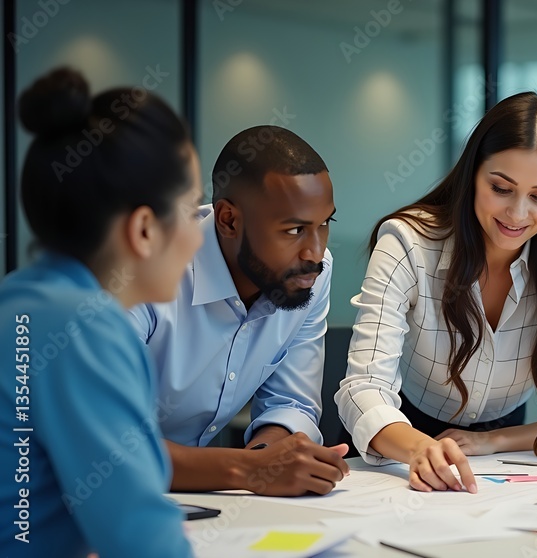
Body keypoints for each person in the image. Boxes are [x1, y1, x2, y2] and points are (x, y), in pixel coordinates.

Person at [336, 92, 537, 493]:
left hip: (509, 449)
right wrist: (420, 448)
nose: (518, 214)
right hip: (398, 438)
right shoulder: (407, 241)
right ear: (473, 173)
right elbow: (362, 388)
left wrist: (493, 442)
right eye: (501, 188)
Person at [0, 68, 198, 556]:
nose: (200, 236)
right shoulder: (84, 327)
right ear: (145, 230)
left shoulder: (21, 299)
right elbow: (143, 542)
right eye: (194, 211)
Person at [128, 126, 349, 496]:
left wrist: (269, 457)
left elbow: (290, 402)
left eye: (324, 224)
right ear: (229, 220)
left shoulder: (309, 274)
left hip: (190, 501)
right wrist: (249, 470)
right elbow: (106, 446)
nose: (314, 252)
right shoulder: (143, 273)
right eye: (294, 230)